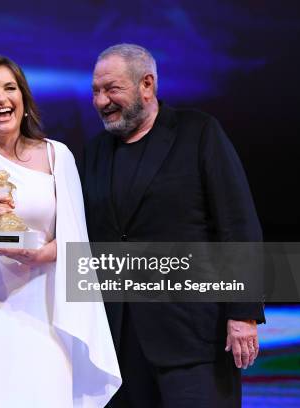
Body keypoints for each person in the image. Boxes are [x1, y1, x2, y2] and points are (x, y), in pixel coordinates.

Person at [0, 55, 121, 407]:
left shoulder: (56, 156)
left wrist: (45, 253)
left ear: (23, 98)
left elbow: (77, 235)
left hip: (46, 308)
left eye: (9, 88)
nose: (0, 99)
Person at [81, 43, 265, 407]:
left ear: (146, 84)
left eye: (112, 89)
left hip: (194, 340)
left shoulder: (198, 133)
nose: (102, 101)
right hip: (118, 346)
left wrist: (243, 313)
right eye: (96, 91)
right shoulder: (94, 152)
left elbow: (237, 224)